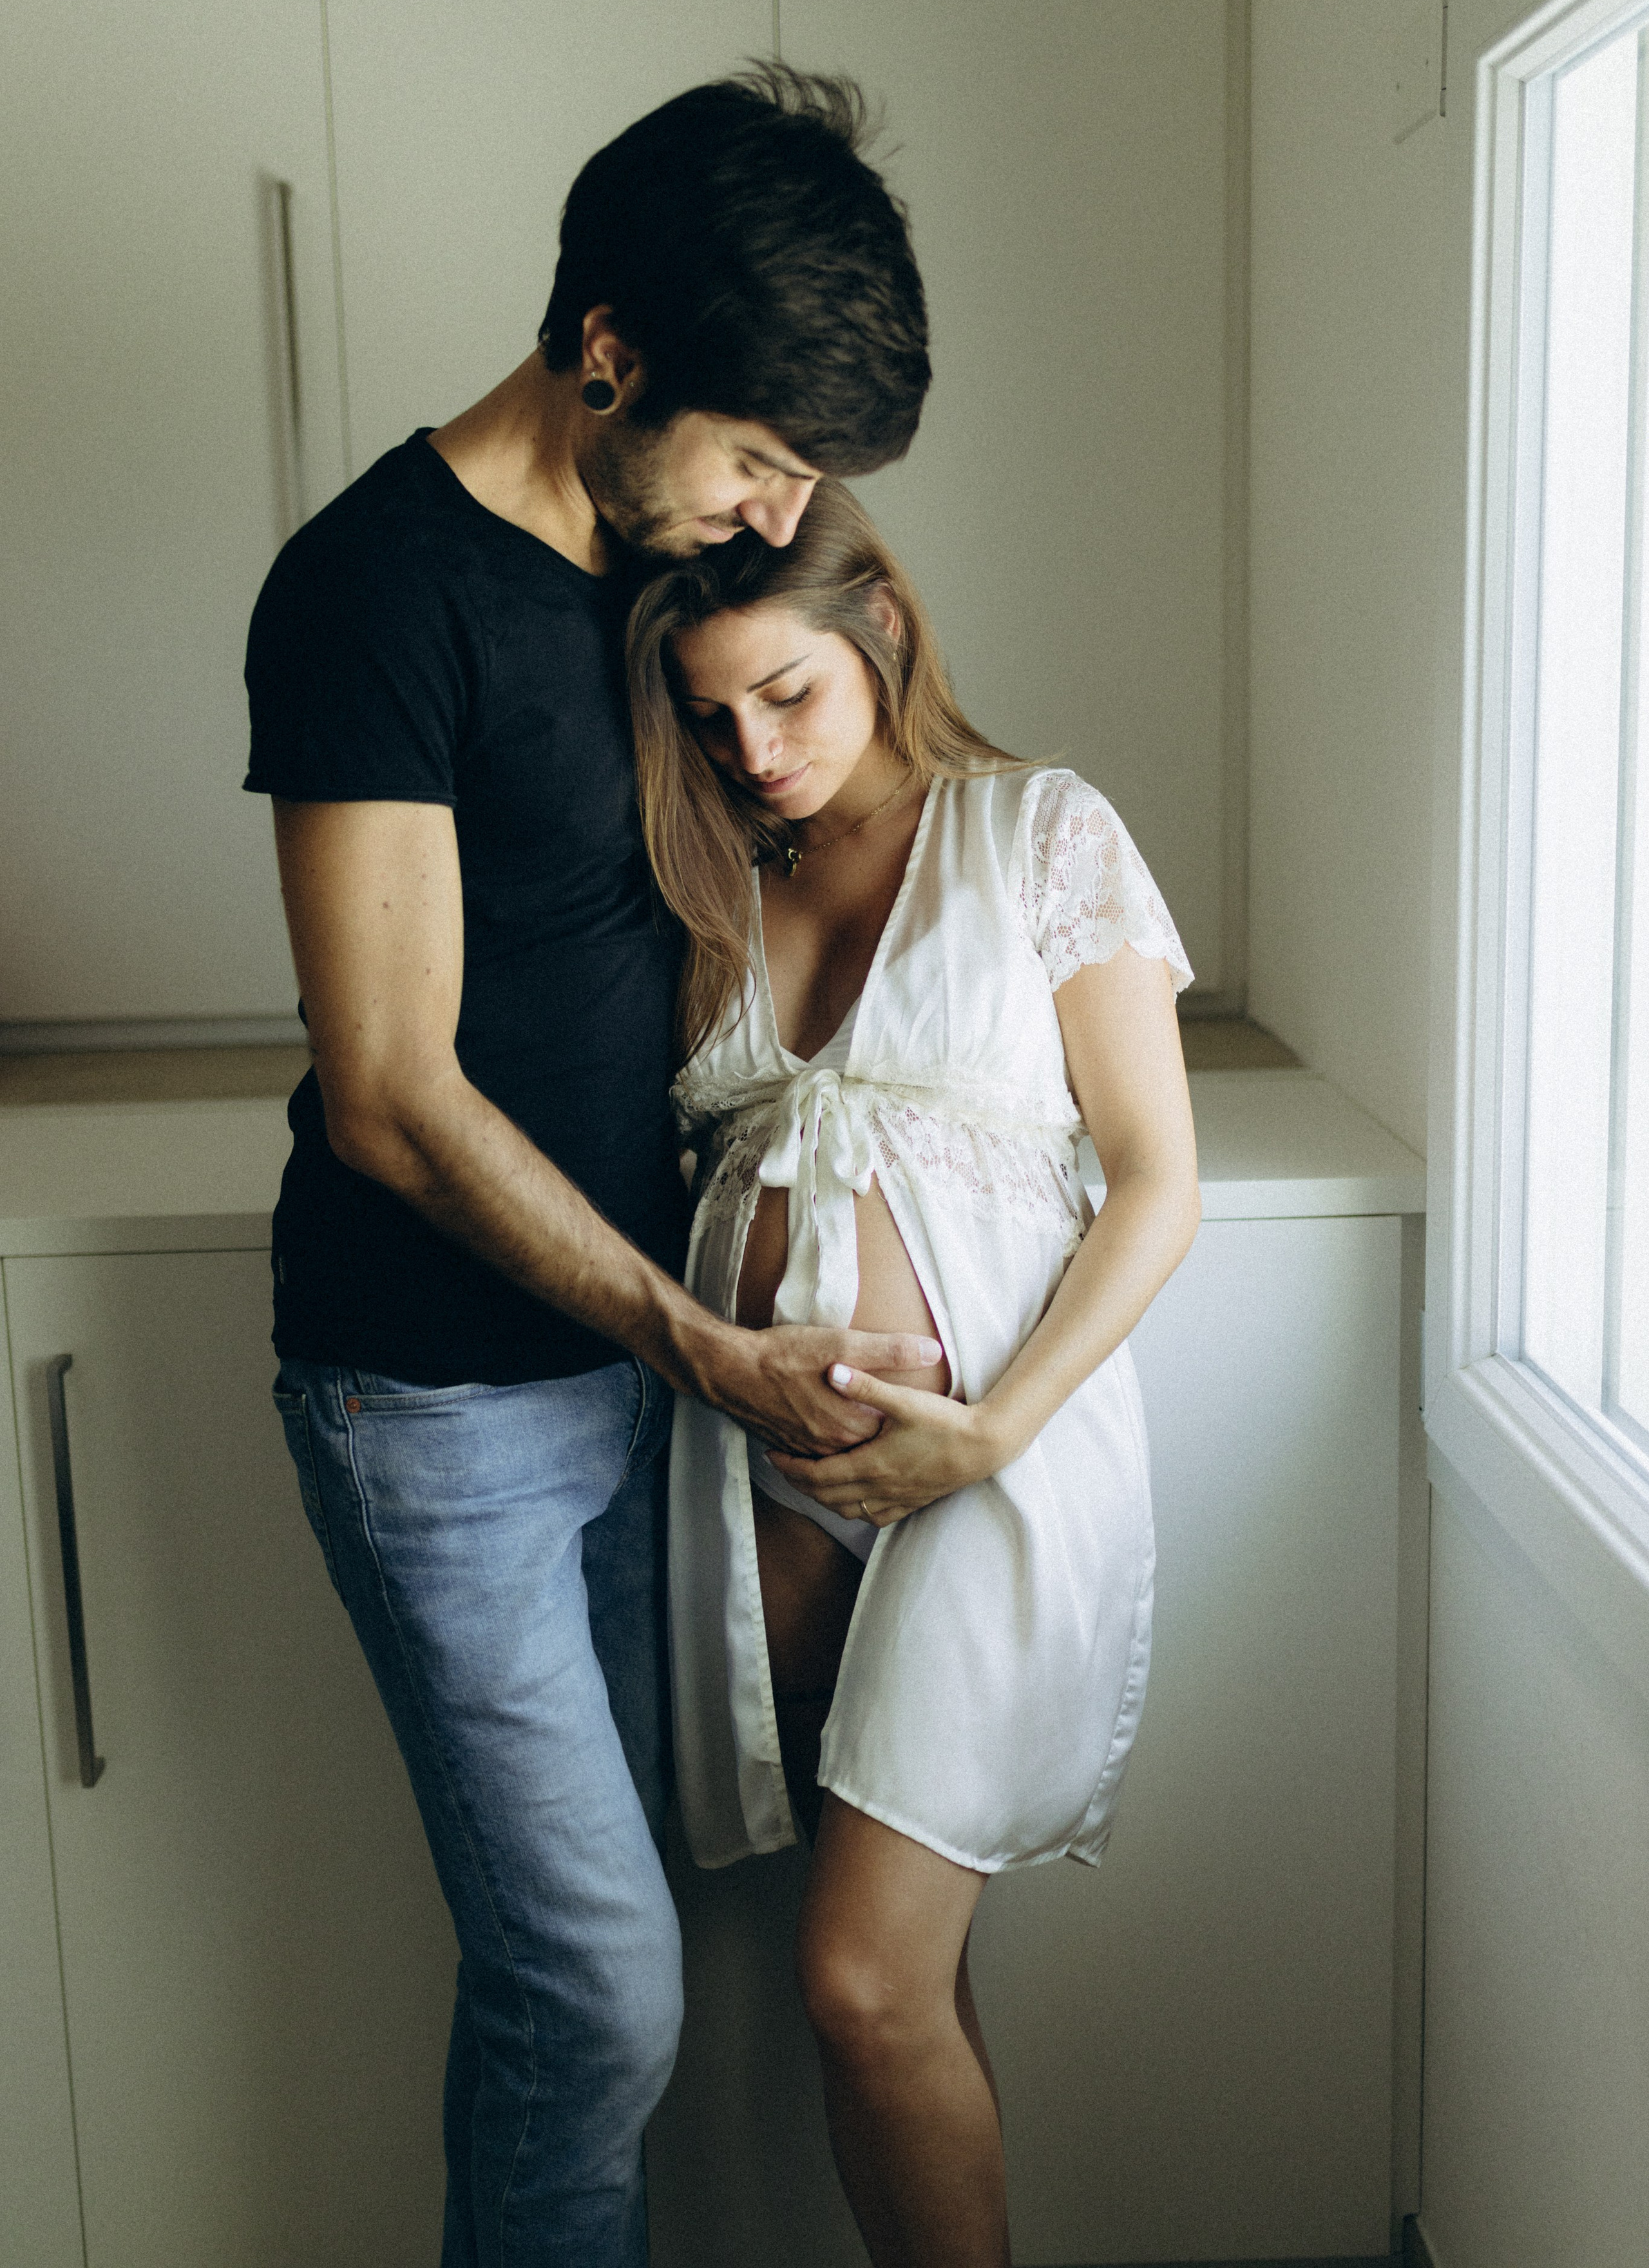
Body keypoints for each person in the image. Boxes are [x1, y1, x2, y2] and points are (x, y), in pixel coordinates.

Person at [242, 68, 942, 2268]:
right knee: (595, 1981)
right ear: (607, 344)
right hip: (439, 1398)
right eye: (750, 453)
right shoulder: (371, 589)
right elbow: (387, 1086)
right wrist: (694, 1338)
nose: (764, 513)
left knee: (666, 1943)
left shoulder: (673, 588)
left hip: (653, 1382)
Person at [626, 481, 1202, 2268]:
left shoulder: (1037, 828)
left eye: (787, 692)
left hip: (993, 1463)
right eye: (715, 715)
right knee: (892, 1984)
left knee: (860, 1980)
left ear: (880, 626)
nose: (756, 746)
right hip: (763, 1478)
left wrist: (991, 1432)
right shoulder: (714, 875)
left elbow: (1160, 1179)